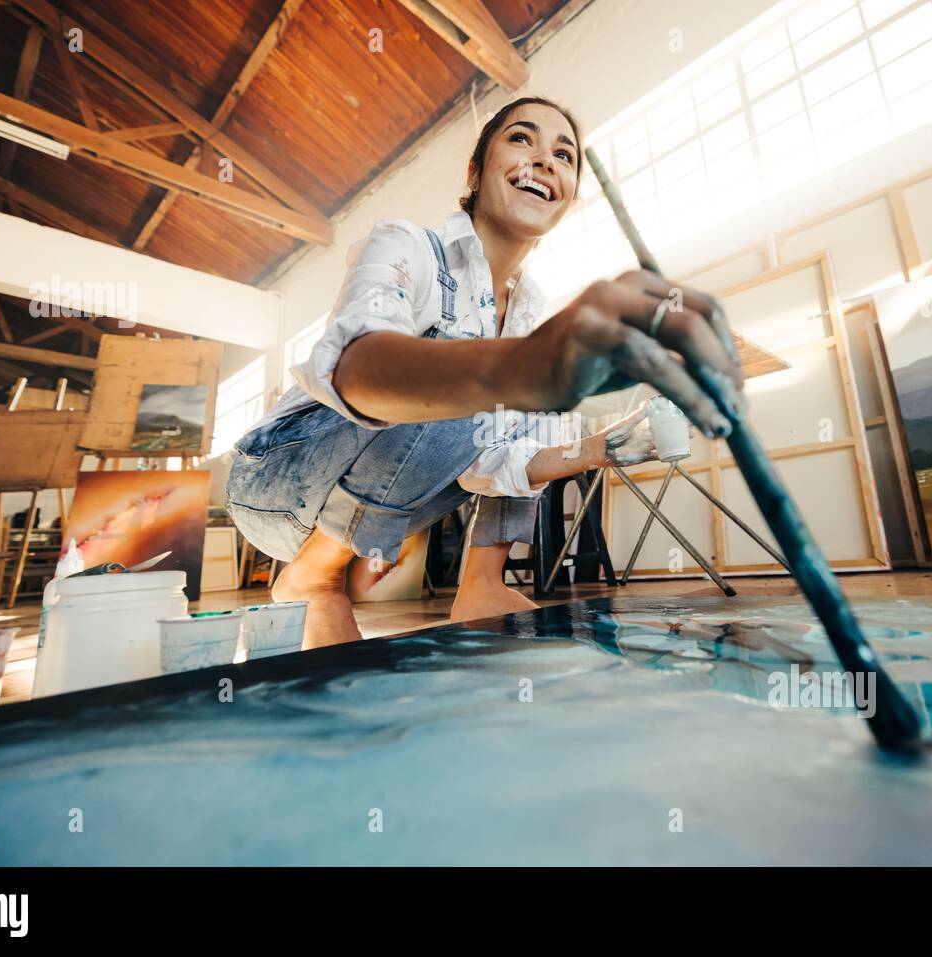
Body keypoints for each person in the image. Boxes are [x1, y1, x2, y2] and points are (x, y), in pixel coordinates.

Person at [226, 96, 744, 648]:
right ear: (475, 172)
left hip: (366, 502)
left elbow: (498, 467)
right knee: (478, 367)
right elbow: (358, 367)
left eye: (564, 155)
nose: (546, 160)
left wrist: (603, 447)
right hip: (276, 479)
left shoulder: (527, 318)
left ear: (566, 196)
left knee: (522, 398)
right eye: (523, 139)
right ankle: (315, 577)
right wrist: (526, 367)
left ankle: (482, 584)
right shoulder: (408, 246)